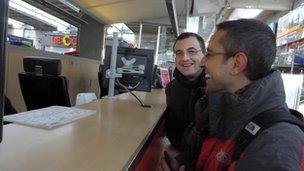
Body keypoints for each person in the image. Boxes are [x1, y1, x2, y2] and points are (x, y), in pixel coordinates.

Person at [160, 19, 304, 170]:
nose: (202, 63)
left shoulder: (277, 145)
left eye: (209, 54)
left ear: (236, 64)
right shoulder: (219, 109)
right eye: (179, 53)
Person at [165, 32, 206, 151]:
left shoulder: (216, 87)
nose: (185, 58)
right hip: (177, 152)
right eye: (179, 53)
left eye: (192, 51)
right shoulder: (171, 88)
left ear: (205, 55)